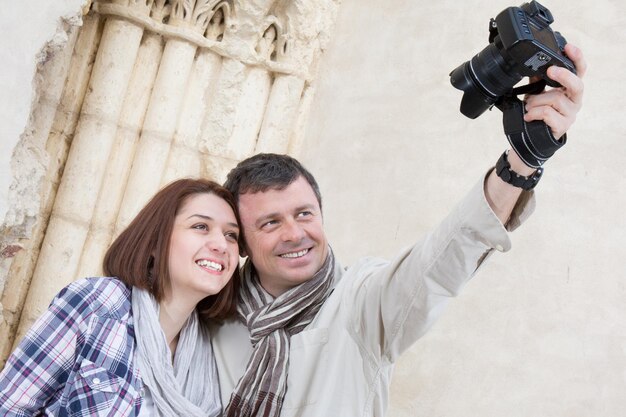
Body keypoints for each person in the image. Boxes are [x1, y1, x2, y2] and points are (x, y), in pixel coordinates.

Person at [209, 44, 586, 417]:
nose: (295, 233)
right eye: (271, 222)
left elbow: (442, 259)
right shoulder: (210, 317)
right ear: (240, 241)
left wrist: (523, 159)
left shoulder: (362, 301)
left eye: (304, 214)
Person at [0, 179, 241, 416]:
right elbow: (9, 406)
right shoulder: (98, 303)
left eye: (231, 235)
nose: (222, 244)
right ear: (156, 241)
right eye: (200, 226)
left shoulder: (212, 352)